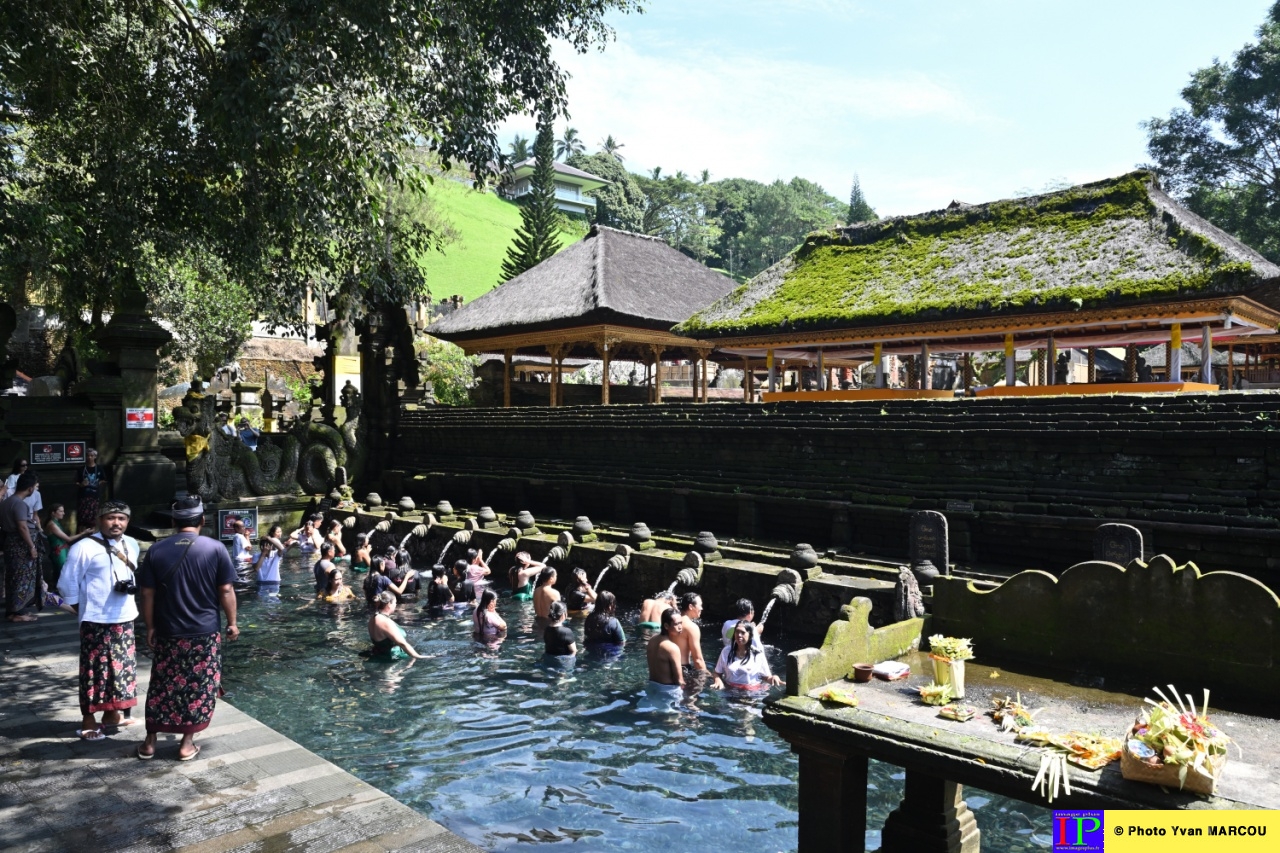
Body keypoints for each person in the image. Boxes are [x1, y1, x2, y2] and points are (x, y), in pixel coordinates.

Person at [137, 496, 239, 761]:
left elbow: (146, 593)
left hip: (168, 630)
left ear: (173, 522)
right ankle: (186, 744)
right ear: (202, 521)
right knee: (199, 686)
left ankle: (149, 742)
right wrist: (232, 623)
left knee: (162, 683)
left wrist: (149, 626)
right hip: (203, 632)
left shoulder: (156, 550)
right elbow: (226, 589)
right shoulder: (215, 548)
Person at [58, 500, 142, 740]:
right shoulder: (84, 547)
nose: (116, 523)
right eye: (110, 518)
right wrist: (81, 609)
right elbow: (67, 583)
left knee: (122, 670)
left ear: (127, 521)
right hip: (96, 621)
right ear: (99, 520)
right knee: (95, 672)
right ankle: (88, 719)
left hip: (125, 617)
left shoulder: (132, 544)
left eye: (121, 518)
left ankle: (113, 714)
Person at [2, 471, 42, 622]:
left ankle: (14, 611)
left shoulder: (6, 501)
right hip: (20, 546)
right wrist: (31, 547)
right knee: (21, 579)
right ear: (30, 489)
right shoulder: (19, 504)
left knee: (13, 578)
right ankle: (18, 613)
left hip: (11, 544)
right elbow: (22, 527)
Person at [713, 620, 782, 690]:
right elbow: (717, 673)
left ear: (750, 635)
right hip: (730, 691)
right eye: (737, 631)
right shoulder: (726, 651)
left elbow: (767, 677)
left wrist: (774, 678)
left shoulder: (757, 654)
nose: (739, 635)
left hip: (751, 693)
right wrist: (718, 681)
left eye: (743, 632)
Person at [44, 502, 95, 582]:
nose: (63, 513)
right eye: (61, 511)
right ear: (53, 513)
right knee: (61, 572)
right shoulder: (52, 524)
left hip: (62, 550)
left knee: (63, 572)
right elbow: (68, 539)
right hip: (58, 553)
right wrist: (83, 533)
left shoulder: (56, 523)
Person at [645, 607, 685, 708]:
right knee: (675, 721)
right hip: (668, 692)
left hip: (651, 687)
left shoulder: (652, 641)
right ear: (666, 626)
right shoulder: (672, 648)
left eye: (681, 623)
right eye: (676, 624)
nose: (680, 627)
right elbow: (679, 680)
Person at [367, 591, 424, 660]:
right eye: (395, 603)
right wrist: (418, 656)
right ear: (389, 604)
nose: (395, 605)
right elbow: (402, 644)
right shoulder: (385, 621)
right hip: (393, 658)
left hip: (379, 654)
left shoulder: (373, 618)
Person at [676, 592, 709, 692]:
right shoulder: (692, 627)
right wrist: (707, 676)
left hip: (666, 668)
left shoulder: (672, 623)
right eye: (700, 605)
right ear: (691, 606)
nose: (702, 608)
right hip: (682, 670)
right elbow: (698, 660)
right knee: (690, 700)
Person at [75, 448, 103, 531]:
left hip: (94, 496)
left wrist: (98, 483)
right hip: (83, 497)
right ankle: (81, 535)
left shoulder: (99, 468)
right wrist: (81, 484)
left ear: (95, 457)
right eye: (87, 456)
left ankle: (92, 534)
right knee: (82, 517)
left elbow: (103, 479)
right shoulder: (81, 469)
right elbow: (76, 482)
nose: (89, 457)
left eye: (91, 456)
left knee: (93, 518)